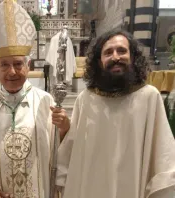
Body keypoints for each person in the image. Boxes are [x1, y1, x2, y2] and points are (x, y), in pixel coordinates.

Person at [0, 0, 70, 197]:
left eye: (18, 64)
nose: (12, 71)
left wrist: (64, 129)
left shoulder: (46, 102)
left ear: (28, 66)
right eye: (4, 65)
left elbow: (61, 152)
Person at [56, 29, 175, 198]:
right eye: (108, 52)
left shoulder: (149, 97)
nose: (115, 57)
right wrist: (63, 130)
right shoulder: (86, 99)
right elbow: (72, 150)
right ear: (99, 61)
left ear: (133, 57)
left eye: (121, 51)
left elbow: (163, 155)